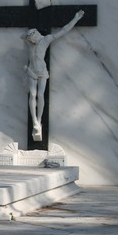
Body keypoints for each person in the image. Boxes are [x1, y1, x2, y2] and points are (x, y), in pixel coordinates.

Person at [22, 10, 85, 141]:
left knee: (40, 95)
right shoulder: (31, 45)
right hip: (31, 71)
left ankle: (39, 119)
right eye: (29, 39)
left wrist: (75, 18)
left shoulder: (46, 40)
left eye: (31, 37)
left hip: (42, 72)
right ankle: (35, 122)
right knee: (32, 95)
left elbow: (63, 31)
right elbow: (22, 37)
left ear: (36, 35)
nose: (30, 40)